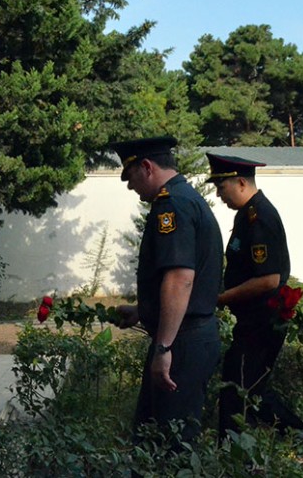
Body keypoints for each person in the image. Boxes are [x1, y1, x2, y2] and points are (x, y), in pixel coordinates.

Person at [111, 137, 223, 443]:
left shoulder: (172, 205)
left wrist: (163, 348)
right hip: (185, 337)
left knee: (170, 446)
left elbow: (180, 279)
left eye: (130, 176)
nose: (130, 186)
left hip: (182, 342)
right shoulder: (186, 198)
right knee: (151, 439)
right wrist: (143, 311)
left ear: (146, 167)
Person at [206, 153, 303, 436]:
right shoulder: (246, 215)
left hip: (262, 323)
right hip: (252, 323)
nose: (218, 194)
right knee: (243, 391)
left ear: (239, 182)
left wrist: (223, 298)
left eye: (221, 186)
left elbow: (268, 279)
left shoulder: (259, 217)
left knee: (241, 393)